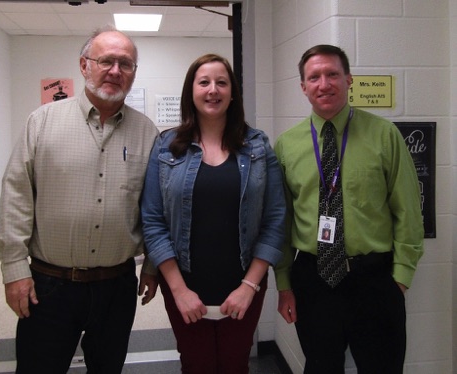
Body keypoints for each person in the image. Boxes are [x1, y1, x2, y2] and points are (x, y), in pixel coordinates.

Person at [0, 25, 159, 374]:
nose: (116, 71)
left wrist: (152, 264)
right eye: (106, 61)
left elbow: (154, 208)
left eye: (126, 64)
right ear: (85, 65)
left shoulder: (147, 133)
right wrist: (14, 270)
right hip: (49, 286)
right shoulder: (42, 122)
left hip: (116, 286)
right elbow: (16, 196)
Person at [274, 44, 424, 373]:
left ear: (349, 79)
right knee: (321, 367)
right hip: (313, 281)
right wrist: (284, 284)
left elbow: (408, 211)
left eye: (332, 74)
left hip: (374, 279)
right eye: (314, 77)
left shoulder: (384, 135)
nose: (324, 83)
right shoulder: (286, 145)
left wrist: (399, 279)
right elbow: (281, 222)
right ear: (303, 87)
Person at [140, 53, 286, 374]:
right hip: (185, 287)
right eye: (203, 82)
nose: (213, 90)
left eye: (222, 82)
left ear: (232, 93)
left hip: (244, 286)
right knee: (196, 365)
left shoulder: (258, 146)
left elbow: (275, 219)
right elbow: (152, 220)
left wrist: (249, 287)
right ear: (191, 91)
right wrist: (178, 290)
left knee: (236, 365)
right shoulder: (167, 147)